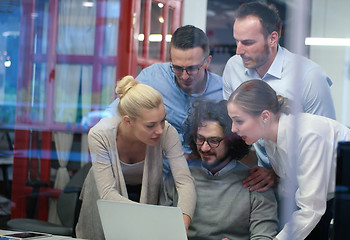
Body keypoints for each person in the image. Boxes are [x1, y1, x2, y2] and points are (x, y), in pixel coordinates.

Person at [227, 80, 350, 240]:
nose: (233, 129)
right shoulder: (270, 138)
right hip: (335, 198)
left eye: (238, 121)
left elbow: (311, 208)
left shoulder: (307, 135)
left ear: (265, 116)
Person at [222, 1, 337, 192]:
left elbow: (324, 147)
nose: (238, 50)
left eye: (248, 42)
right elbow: (235, 128)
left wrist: (278, 174)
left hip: (306, 190)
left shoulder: (309, 77)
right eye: (237, 41)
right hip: (257, 184)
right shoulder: (233, 67)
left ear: (272, 38)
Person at [76, 76, 196, 240]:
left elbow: (184, 181)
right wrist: (154, 219)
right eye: (150, 125)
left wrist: (183, 220)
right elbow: (108, 194)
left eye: (163, 120)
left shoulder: (166, 132)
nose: (160, 130)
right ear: (128, 121)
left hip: (146, 195)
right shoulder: (99, 134)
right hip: (104, 197)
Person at [106, 25, 223, 172]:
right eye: (177, 68)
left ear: (207, 62)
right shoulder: (153, 77)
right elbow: (116, 112)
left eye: (192, 68)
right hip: (154, 174)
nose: (184, 76)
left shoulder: (223, 92)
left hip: (203, 176)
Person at [160, 99, 278, 240]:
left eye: (214, 140)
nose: (204, 148)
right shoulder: (179, 178)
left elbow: (264, 236)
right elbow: (161, 229)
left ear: (233, 141)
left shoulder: (256, 182)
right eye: (200, 139)